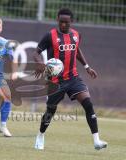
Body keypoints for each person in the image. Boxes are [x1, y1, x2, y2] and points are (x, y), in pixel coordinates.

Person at [34, 8, 107, 150]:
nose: (63, 25)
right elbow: (36, 52)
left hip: (73, 78)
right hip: (55, 81)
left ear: (71, 22)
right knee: (50, 111)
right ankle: (40, 135)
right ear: (57, 20)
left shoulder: (76, 35)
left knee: (88, 103)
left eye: (66, 22)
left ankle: (96, 141)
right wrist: (39, 63)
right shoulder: (50, 35)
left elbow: (77, 50)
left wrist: (87, 67)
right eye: (61, 22)